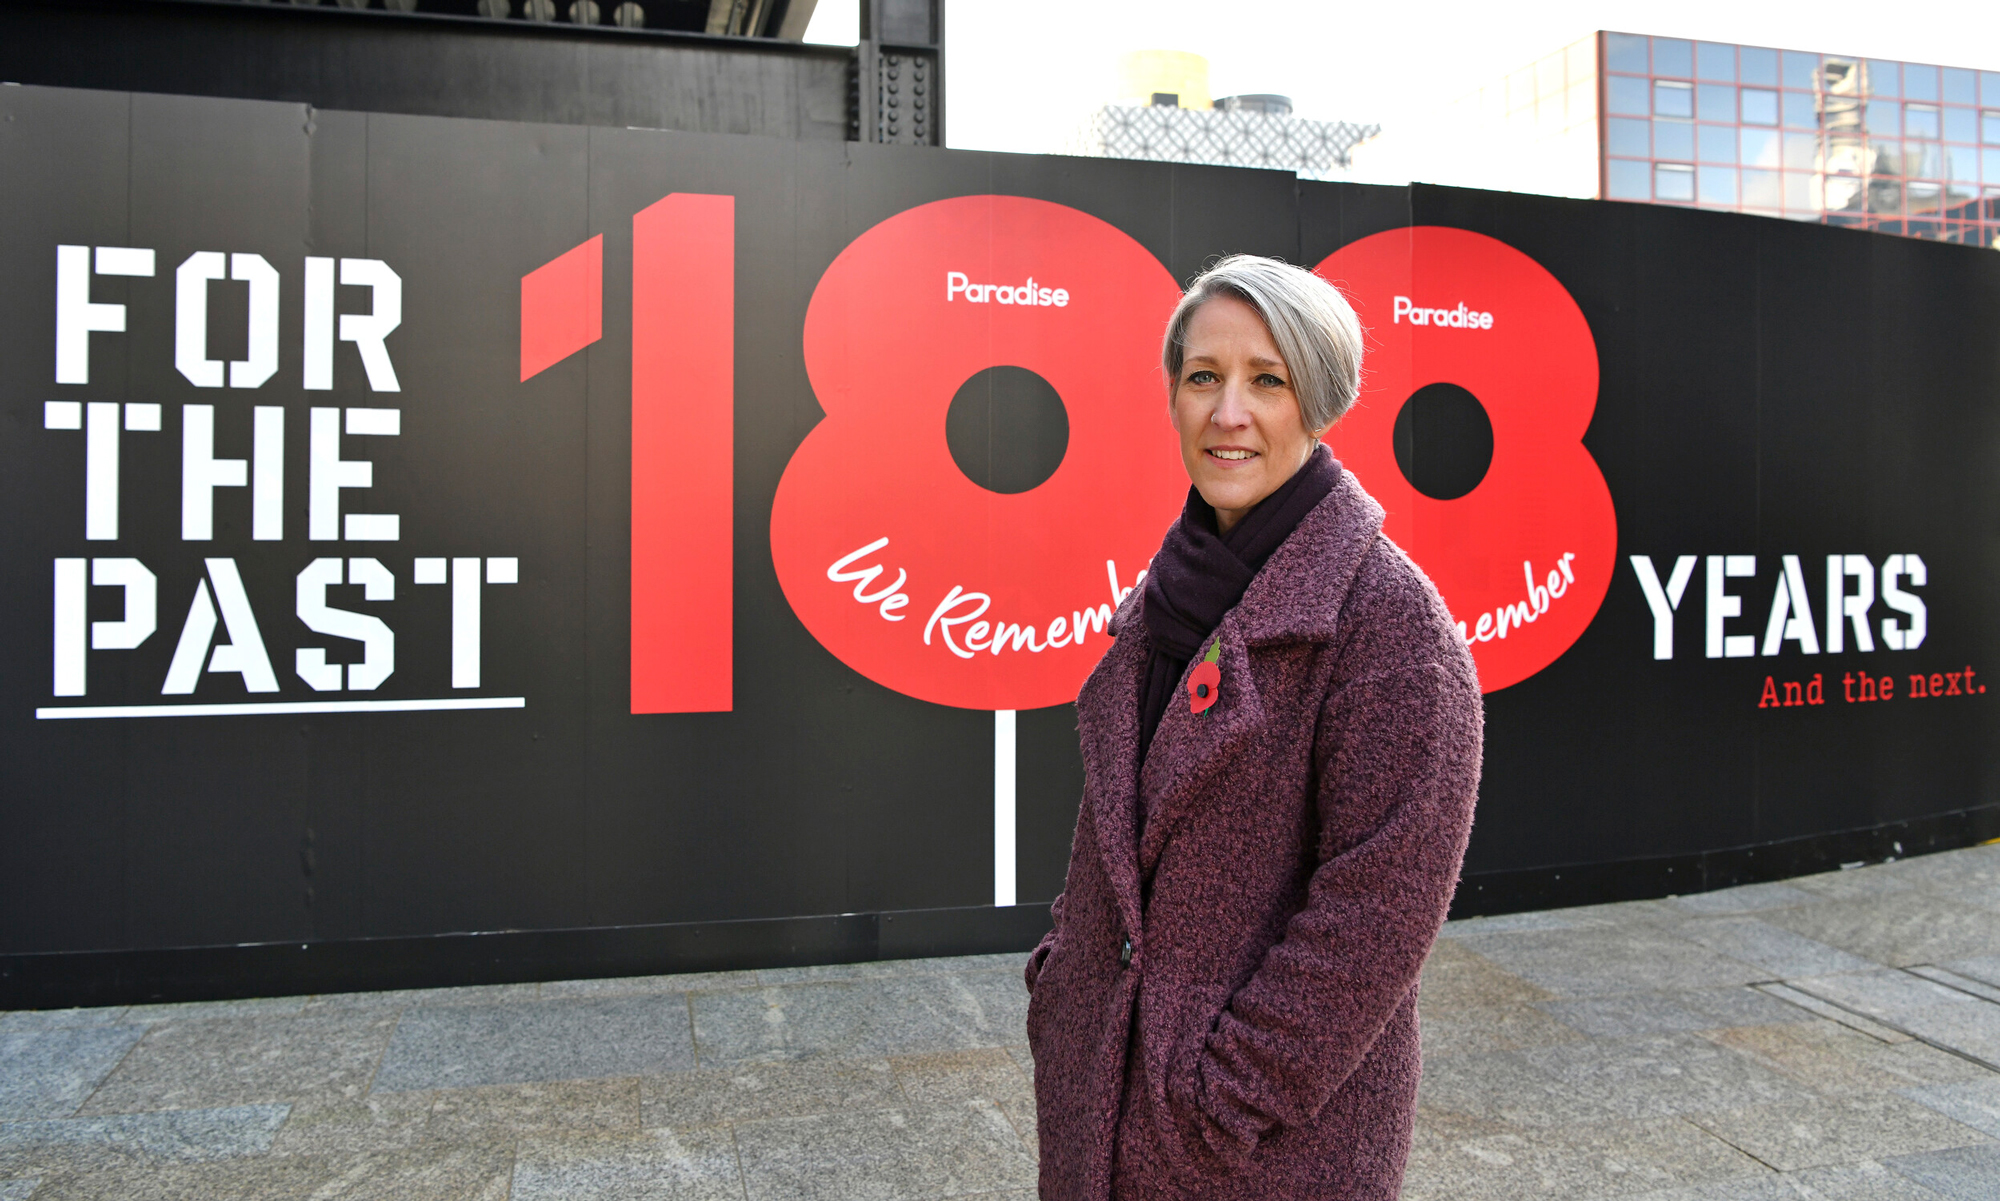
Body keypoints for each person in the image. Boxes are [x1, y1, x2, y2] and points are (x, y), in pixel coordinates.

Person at [1023, 254, 1483, 1200]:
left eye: (1266, 381)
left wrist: (1223, 1097)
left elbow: (1377, 918)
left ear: (1317, 401)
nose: (1227, 413)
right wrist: (1062, 990)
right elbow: (1115, 844)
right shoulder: (1167, 595)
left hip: (1257, 1152)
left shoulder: (1390, 625)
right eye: (1203, 377)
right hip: (1100, 1109)